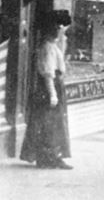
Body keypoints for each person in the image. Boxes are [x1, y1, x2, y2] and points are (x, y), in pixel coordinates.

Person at [20, 10, 73, 170]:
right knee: (49, 124)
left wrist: (63, 37)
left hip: (53, 87)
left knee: (53, 124)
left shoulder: (52, 46)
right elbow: (48, 73)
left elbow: (61, 52)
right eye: (60, 29)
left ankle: (51, 157)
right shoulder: (48, 48)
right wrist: (53, 94)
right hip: (49, 88)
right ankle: (47, 157)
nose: (62, 32)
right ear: (54, 29)